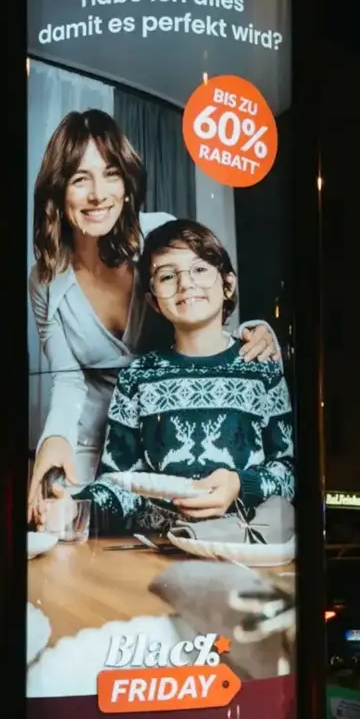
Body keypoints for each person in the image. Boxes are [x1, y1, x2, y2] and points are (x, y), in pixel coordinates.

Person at [27, 109, 278, 524]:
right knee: (73, 537)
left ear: (126, 184)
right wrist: (54, 440)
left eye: (110, 174)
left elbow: (203, 311)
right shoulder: (45, 279)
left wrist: (258, 332)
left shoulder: (159, 234)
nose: (97, 195)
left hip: (173, 428)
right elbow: (68, 380)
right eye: (79, 179)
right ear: (58, 192)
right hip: (92, 437)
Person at [74, 218, 295, 540]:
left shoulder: (261, 366)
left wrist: (239, 484)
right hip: (156, 548)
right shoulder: (138, 377)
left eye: (200, 269)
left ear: (228, 284)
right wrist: (74, 506)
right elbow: (118, 481)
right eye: (167, 276)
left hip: (243, 545)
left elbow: (289, 472)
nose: (186, 283)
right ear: (153, 301)